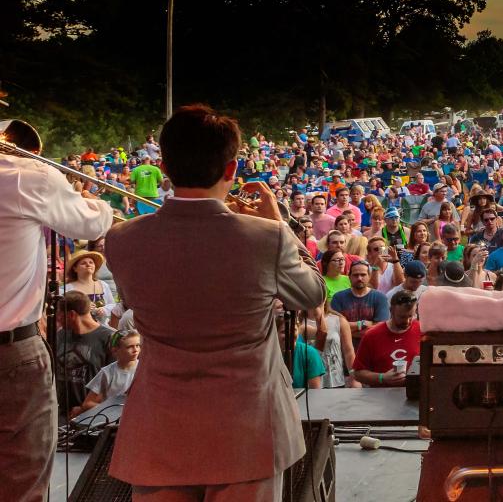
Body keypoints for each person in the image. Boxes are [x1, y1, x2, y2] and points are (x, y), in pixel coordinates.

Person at [104, 105, 326, 501]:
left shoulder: (122, 239)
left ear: (164, 167)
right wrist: (281, 225)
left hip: (160, 429)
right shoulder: (267, 237)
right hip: (248, 430)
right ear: (231, 170)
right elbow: (312, 294)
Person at [1, 118, 117, 501]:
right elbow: (91, 220)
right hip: (11, 352)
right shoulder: (25, 176)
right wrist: (89, 197)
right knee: (23, 473)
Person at [349, 290, 421, 387]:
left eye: (410, 316)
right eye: (402, 317)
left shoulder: (422, 331)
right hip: (381, 398)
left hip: (413, 395)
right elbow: (357, 373)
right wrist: (382, 378)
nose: (407, 321)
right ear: (391, 311)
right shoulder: (372, 335)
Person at [70, 329, 141, 419]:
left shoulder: (144, 369)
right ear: (115, 351)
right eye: (129, 347)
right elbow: (88, 403)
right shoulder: (107, 373)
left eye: (138, 345)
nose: (135, 350)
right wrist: (112, 411)